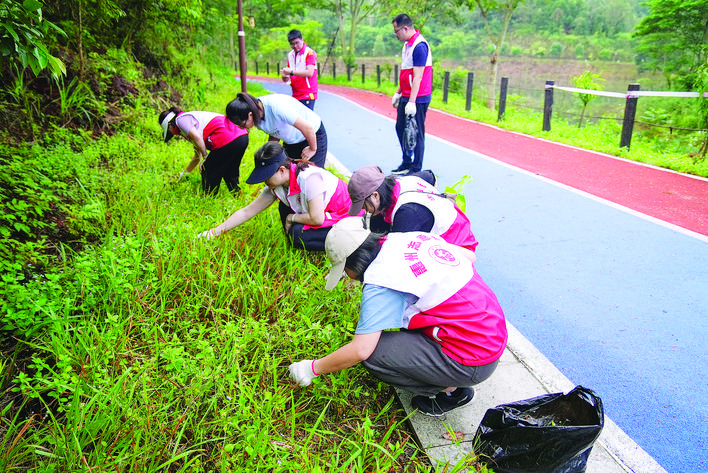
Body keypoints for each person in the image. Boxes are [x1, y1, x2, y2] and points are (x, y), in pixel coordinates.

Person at [288, 217, 507, 417]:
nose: (349, 277)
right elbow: (469, 256)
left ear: (354, 263)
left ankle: (451, 389)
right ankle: (447, 374)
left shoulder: (380, 280)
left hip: (473, 357)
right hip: (491, 328)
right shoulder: (405, 238)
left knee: (374, 355)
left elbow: (360, 350)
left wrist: (311, 368)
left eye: (345, 271)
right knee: (384, 329)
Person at [196, 142, 356, 251]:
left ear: (281, 170)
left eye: (266, 176)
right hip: (329, 218)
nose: (265, 181)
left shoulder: (309, 178)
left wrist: (290, 218)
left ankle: (348, 248)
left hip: (348, 219)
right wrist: (213, 232)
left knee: (298, 233)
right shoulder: (277, 186)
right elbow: (247, 212)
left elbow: (317, 218)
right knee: (287, 213)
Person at [347, 165, 478, 251]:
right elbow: (430, 175)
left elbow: (394, 255)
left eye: (364, 205)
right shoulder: (398, 182)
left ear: (375, 195)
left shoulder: (407, 213)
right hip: (450, 221)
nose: (365, 210)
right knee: (377, 220)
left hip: (456, 244)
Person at [225, 92, 327, 169]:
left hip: (312, 136)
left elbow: (307, 128)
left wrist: (312, 149)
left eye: (243, 125)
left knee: (312, 175)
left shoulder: (276, 107)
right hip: (291, 142)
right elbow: (274, 131)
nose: (244, 128)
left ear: (249, 115)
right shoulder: (256, 115)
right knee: (291, 177)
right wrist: (268, 154)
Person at [159, 106, 248, 194]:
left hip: (228, 138)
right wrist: (185, 174)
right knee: (229, 171)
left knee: (208, 168)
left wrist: (206, 158)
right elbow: (197, 155)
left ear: (170, 125)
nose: (173, 134)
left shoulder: (181, 120)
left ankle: (209, 200)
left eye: (169, 131)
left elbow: (198, 138)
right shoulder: (188, 124)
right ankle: (238, 196)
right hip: (241, 137)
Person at [391, 13, 433, 175]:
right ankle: (407, 161)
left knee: (416, 131)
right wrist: (398, 92)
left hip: (418, 97)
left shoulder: (419, 46)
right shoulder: (407, 45)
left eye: (397, 31)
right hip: (406, 94)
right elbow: (405, 72)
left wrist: (413, 101)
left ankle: (416, 167)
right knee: (400, 127)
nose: (396, 35)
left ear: (405, 28)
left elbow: (418, 76)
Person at [280, 29, 318, 110]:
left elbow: (310, 72)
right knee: (296, 120)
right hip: (296, 93)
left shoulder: (309, 53)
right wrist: (286, 76)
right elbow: (289, 75)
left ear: (302, 40)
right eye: (292, 44)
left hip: (308, 93)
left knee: (307, 120)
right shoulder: (290, 55)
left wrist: (291, 72)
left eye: (297, 43)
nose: (295, 46)